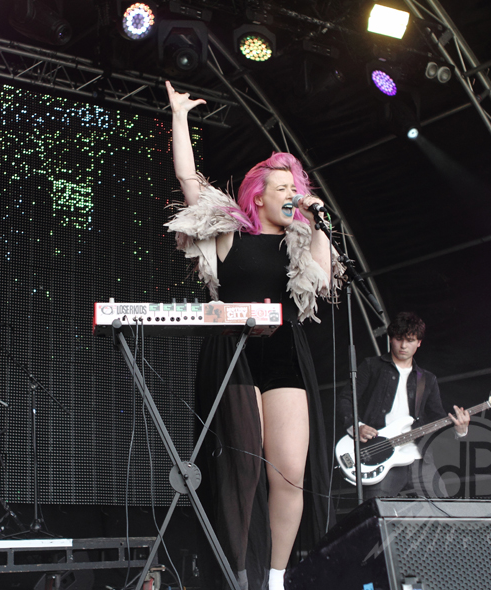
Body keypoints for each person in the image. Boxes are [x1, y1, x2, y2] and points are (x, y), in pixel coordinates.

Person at [164, 81, 340, 590]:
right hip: (232, 348)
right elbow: (188, 180)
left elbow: (324, 281)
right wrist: (179, 116)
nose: (291, 195)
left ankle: (277, 578)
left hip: (283, 350)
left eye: (295, 188)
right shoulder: (228, 232)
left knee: (289, 472)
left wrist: (317, 220)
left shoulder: (301, 240)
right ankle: (238, 576)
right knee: (242, 471)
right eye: (283, 188)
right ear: (259, 195)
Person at [339, 312, 470, 500]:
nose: (403, 346)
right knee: (377, 511)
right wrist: (357, 426)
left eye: (410, 340)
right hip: (380, 454)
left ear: (419, 343)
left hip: (418, 456)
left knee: (443, 510)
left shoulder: (427, 379)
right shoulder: (371, 366)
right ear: (390, 339)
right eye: (399, 339)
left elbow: (437, 418)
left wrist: (460, 431)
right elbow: (346, 398)